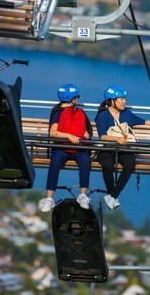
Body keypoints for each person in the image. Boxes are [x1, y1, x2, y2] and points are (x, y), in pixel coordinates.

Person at [95, 84, 150, 210]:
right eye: (121, 99)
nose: (124, 102)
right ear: (112, 101)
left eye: (124, 99)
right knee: (107, 164)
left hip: (123, 149)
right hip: (107, 148)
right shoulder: (103, 115)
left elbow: (143, 121)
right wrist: (116, 139)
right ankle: (111, 194)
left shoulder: (126, 113)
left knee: (129, 164)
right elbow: (102, 137)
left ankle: (112, 196)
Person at [38, 83, 93, 213]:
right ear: (73, 99)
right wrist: (69, 136)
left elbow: (84, 130)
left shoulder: (77, 112)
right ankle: (49, 198)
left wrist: (86, 134)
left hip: (76, 147)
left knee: (85, 161)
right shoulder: (58, 113)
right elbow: (53, 133)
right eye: (77, 97)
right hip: (61, 146)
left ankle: (83, 195)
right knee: (55, 163)